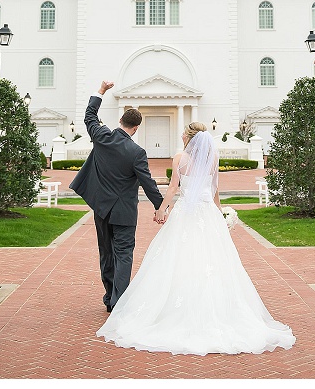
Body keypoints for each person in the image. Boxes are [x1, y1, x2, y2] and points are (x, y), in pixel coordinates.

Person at [97, 122, 296, 355]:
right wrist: (220, 214)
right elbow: (215, 191)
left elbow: (173, 188)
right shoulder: (212, 159)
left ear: (189, 137)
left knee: (178, 259)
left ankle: (173, 309)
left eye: (183, 132)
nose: (180, 134)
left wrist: (162, 210)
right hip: (207, 214)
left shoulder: (180, 158)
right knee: (212, 260)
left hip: (185, 214)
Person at [69, 80, 165, 312]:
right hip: (123, 212)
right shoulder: (137, 152)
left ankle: (109, 297)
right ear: (136, 128)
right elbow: (148, 182)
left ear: (120, 121)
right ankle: (118, 302)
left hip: (101, 209)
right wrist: (161, 206)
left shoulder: (101, 137)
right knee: (123, 255)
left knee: (106, 253)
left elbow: (89, 116)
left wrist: (101, 91)